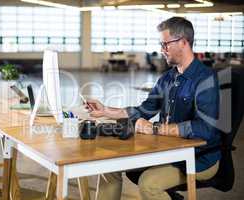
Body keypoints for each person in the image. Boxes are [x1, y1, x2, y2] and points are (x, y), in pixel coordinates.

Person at [86, 17, 221, 200]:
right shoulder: (167, 78)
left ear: (183, 42)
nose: (161, 50)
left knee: (149, 183)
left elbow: (204, 129)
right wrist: (106, 111)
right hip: (168, 150)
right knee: (108, 166)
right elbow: (144, 110)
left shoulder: (205, 79)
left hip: (199, 158)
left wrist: (155, 128)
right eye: (161, 44)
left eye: (165, 44)